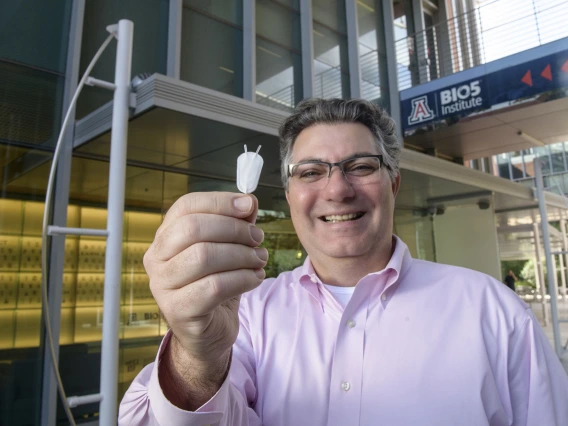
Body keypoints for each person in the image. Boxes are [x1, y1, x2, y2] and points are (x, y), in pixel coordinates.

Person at [119, 99, 568, 425]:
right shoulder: (246, 315)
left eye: (360, 166)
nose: (337, 190)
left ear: (393, 183)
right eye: (311, 172)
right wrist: (197, 353)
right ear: (290, 194)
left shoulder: (494, 312)